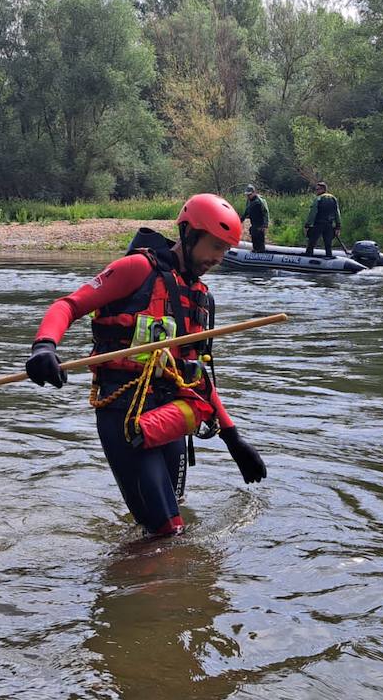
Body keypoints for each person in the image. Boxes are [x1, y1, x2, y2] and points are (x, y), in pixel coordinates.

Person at [23, 193, 268, 538]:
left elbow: (196, 377)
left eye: (225, 249)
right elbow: (68, 306)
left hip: (170, 418)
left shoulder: (202, 297)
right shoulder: (136, 269)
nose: (218, 257)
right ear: (188, 234)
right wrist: (45, 346)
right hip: (125, 415)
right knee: (168, 533)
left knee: (168, 521)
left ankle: (133, 569)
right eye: (214, 245)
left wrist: (233, 438)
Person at [304, 181, 342, 258]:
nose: (316, 191)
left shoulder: (318, 199)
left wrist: (307, 225)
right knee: (328, 245)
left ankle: (307, 258)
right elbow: (337, 213)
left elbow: (313, 213)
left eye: (317, 189)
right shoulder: (333, 198)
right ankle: (329, 257)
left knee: (311, 243)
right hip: (329, 225)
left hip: (318, 224)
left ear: (322, 189)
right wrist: (338, 226)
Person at [239, 183, 269, 253]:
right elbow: (247, 211)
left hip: (260, 223)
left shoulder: (260, 201)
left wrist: (265, 225)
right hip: (253, 223)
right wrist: (241, 220)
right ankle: (255, 250)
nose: (248, 196)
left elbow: (266, 212)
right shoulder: (249, 201)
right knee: (253, 235)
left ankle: (261, 251)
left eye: (249, 195)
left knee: (259, 238)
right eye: (247, 195)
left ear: (254, 193)